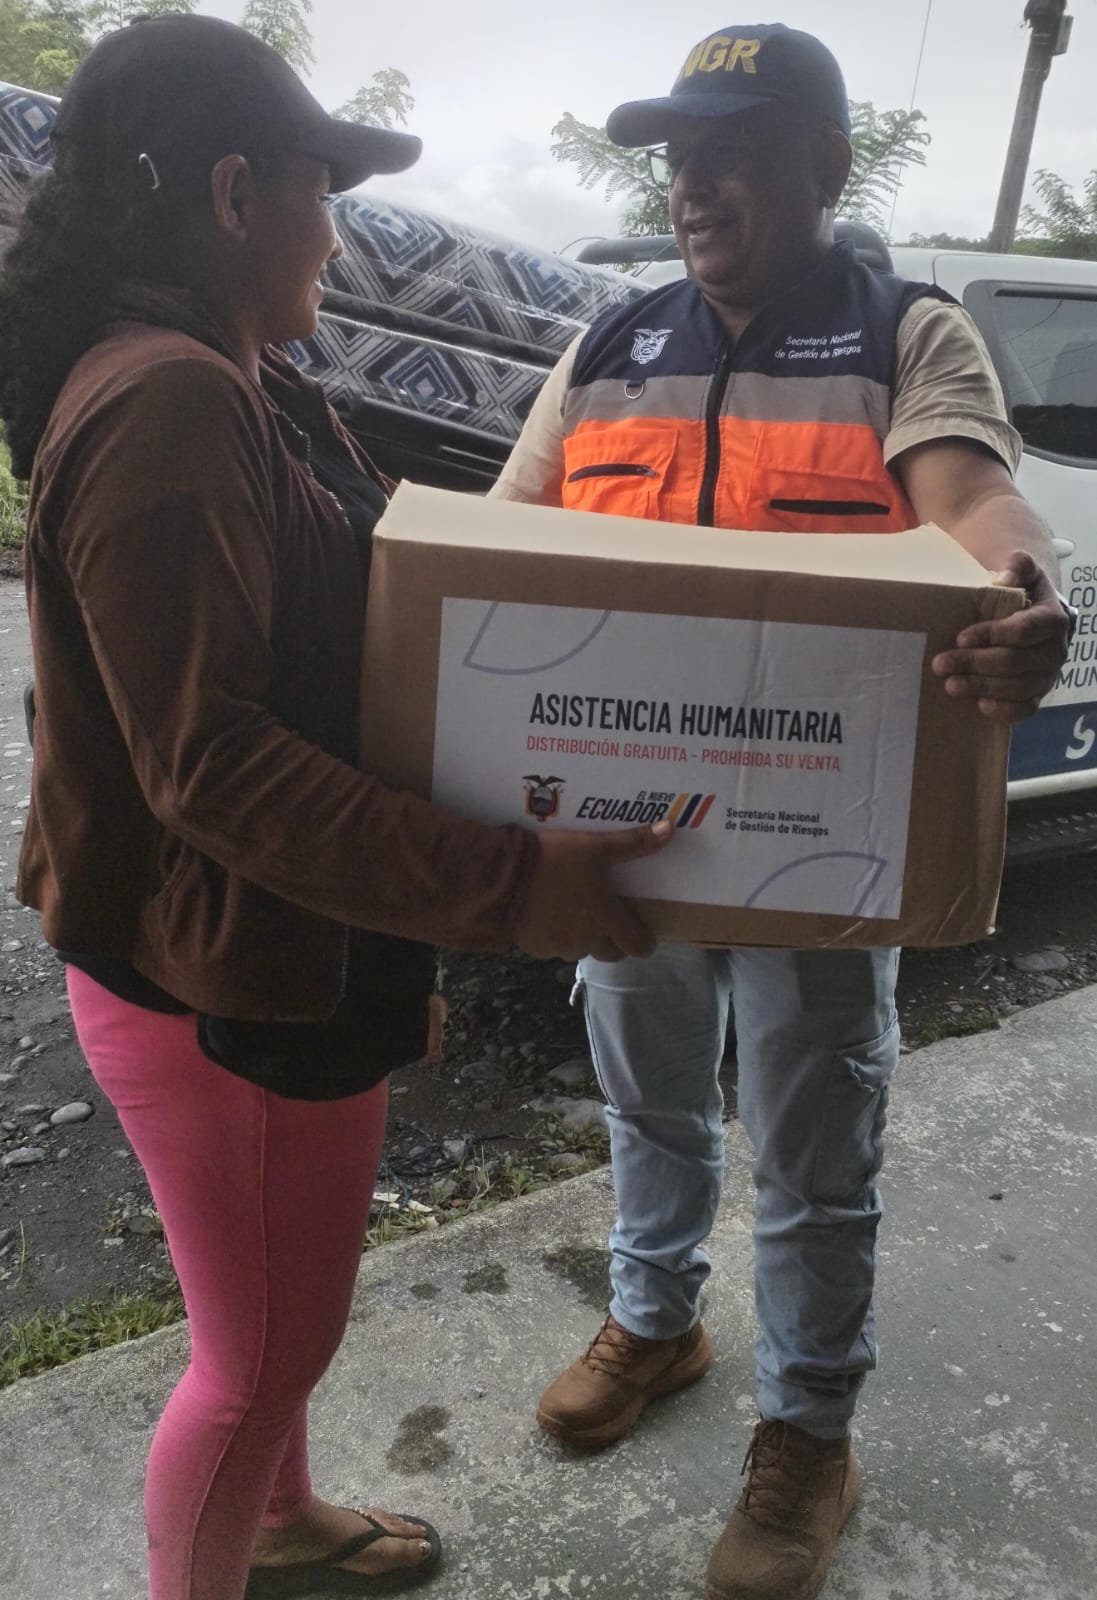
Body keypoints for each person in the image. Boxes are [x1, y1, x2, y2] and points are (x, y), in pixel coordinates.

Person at [0, 16, 672, 1600]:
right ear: (236, 194)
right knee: (257, 1361)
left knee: (271, 1324)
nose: (337, 233)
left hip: (259, 949)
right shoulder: (168, 403)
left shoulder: (237, 379)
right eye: (323, 192)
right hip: (215, 981)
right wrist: (515, 881)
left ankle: (283, 1524)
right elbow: (210, 763)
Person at [491, 23, 1074, 1600]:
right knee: (647, 1102)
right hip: (628, 833)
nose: (693, 185)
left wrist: (1024, 585)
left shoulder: (903, 334)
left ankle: (809, 1429)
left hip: (819, 838)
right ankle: (655, 1321)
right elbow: (503, 544)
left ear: (824, 164)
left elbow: (974, 498)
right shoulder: (609, 343)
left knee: (815, 1152)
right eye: (679, 157)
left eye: (733, 151)